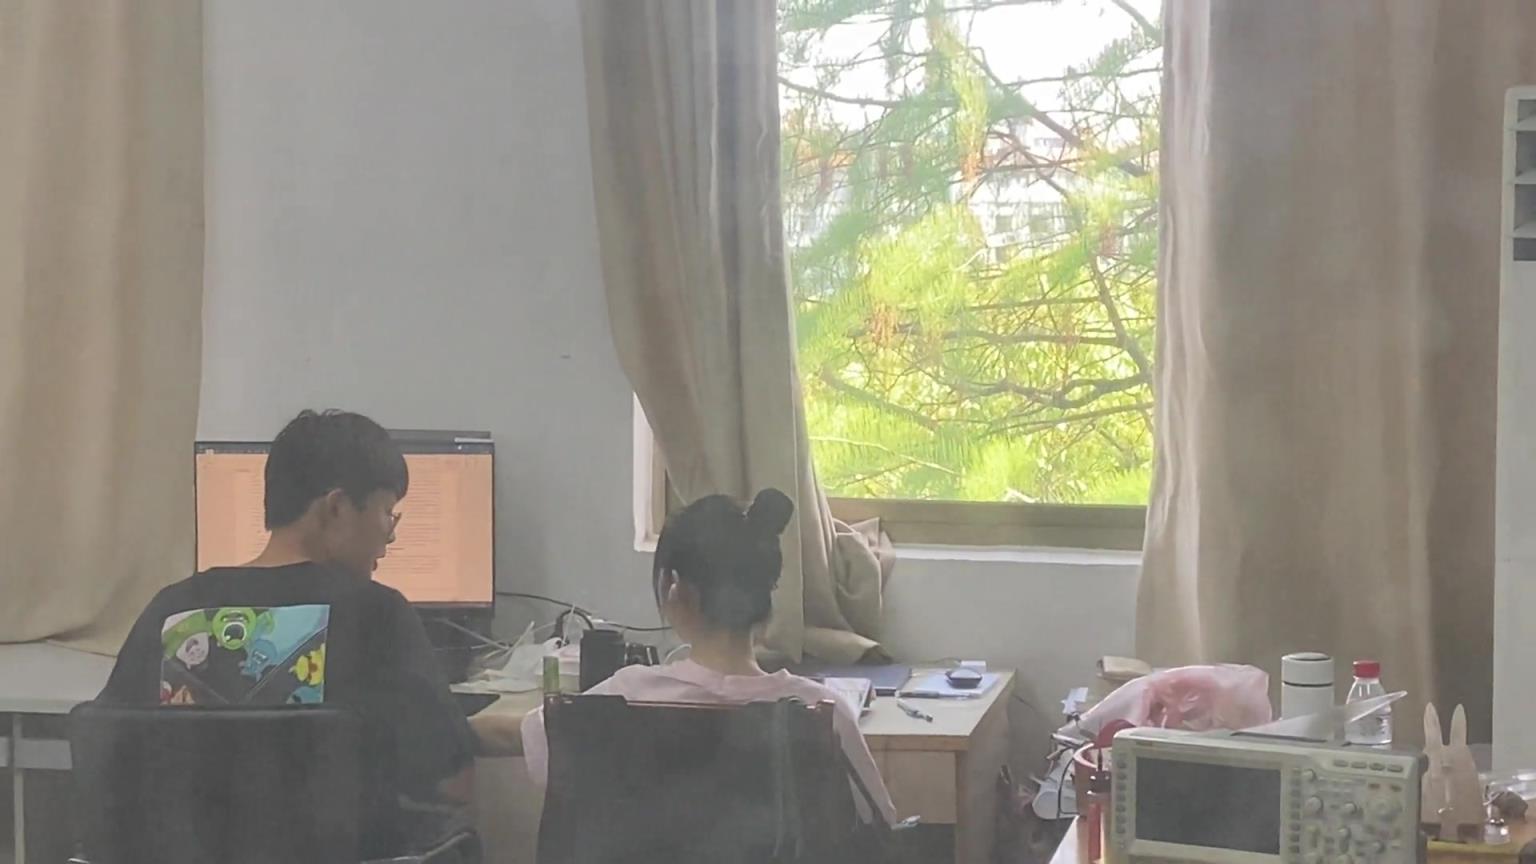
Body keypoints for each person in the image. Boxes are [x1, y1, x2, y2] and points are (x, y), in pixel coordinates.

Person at [98, 410, 478, 858]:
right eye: (386, 513)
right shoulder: (377, 613)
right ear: (336, 508)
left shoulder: (172, 610)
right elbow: (451, 781)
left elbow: (109, 758)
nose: (390, 537)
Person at [520, 488, 898, 825]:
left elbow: (540, 740)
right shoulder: (822, 711)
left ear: (675, 588)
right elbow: (877, 821)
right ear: (765, 594)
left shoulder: (623, 696)